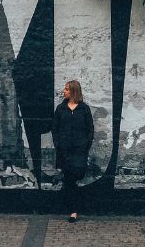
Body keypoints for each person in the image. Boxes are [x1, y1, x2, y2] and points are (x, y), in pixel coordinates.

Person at [51, 79, 94, 222]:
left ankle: (76, 205)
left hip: (79, 152)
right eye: (65, 89)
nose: (64, 91)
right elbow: (55, 129)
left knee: (77, 175)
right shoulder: (60, 109)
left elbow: (90, 129)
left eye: (67, 89)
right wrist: (58, 145)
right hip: (65, 152)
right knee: (69, 181)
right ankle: (73, 211)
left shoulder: (84, 109)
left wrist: (85, 146)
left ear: (74, 91)